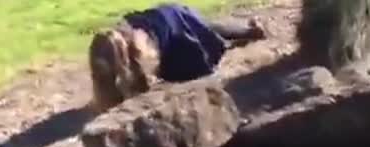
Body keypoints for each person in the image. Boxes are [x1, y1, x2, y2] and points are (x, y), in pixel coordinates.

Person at [88, 2, 266, 112]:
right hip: (160, 19)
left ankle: (250, 32)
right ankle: (248, 31)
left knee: (208, 34)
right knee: (208, 28)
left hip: (176, 22)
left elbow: (146, 80)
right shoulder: (107, 52)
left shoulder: (141, 51)